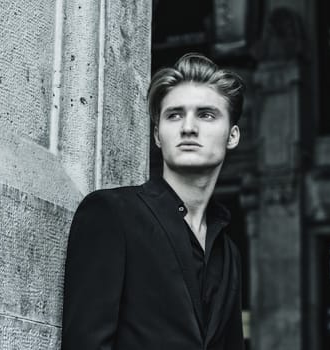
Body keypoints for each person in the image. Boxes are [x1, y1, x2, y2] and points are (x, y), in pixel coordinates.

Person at [62, 53, 245, 350]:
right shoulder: (112, 214)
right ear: (158, 135)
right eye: (174, 115)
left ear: (232, 136)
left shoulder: (228, 253)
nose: (188, 127)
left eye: (206, 114)